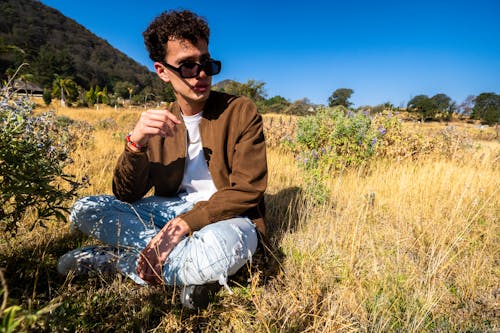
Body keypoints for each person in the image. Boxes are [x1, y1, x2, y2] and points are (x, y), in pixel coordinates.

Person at [57, 9, 268, 309]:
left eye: (206, 62)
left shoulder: (240, 110)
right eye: (187, 66)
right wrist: (135, 144)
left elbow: (248, 190)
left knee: (218, 250)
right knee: (83, 209)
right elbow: (126, 194)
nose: (202, 74)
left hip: (229, 218)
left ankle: (120, 262)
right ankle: (185, 269)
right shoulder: (159, 122)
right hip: (168, 211)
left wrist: (182, 225)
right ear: (162, 70)